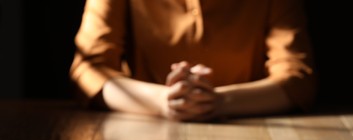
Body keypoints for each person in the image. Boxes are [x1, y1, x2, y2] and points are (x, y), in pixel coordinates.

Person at [70, 0, 317, 122]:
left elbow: (298, 78)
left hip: (250, 132)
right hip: (141, 132)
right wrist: (161, 101)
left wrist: (221, 102)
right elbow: (90, 70)